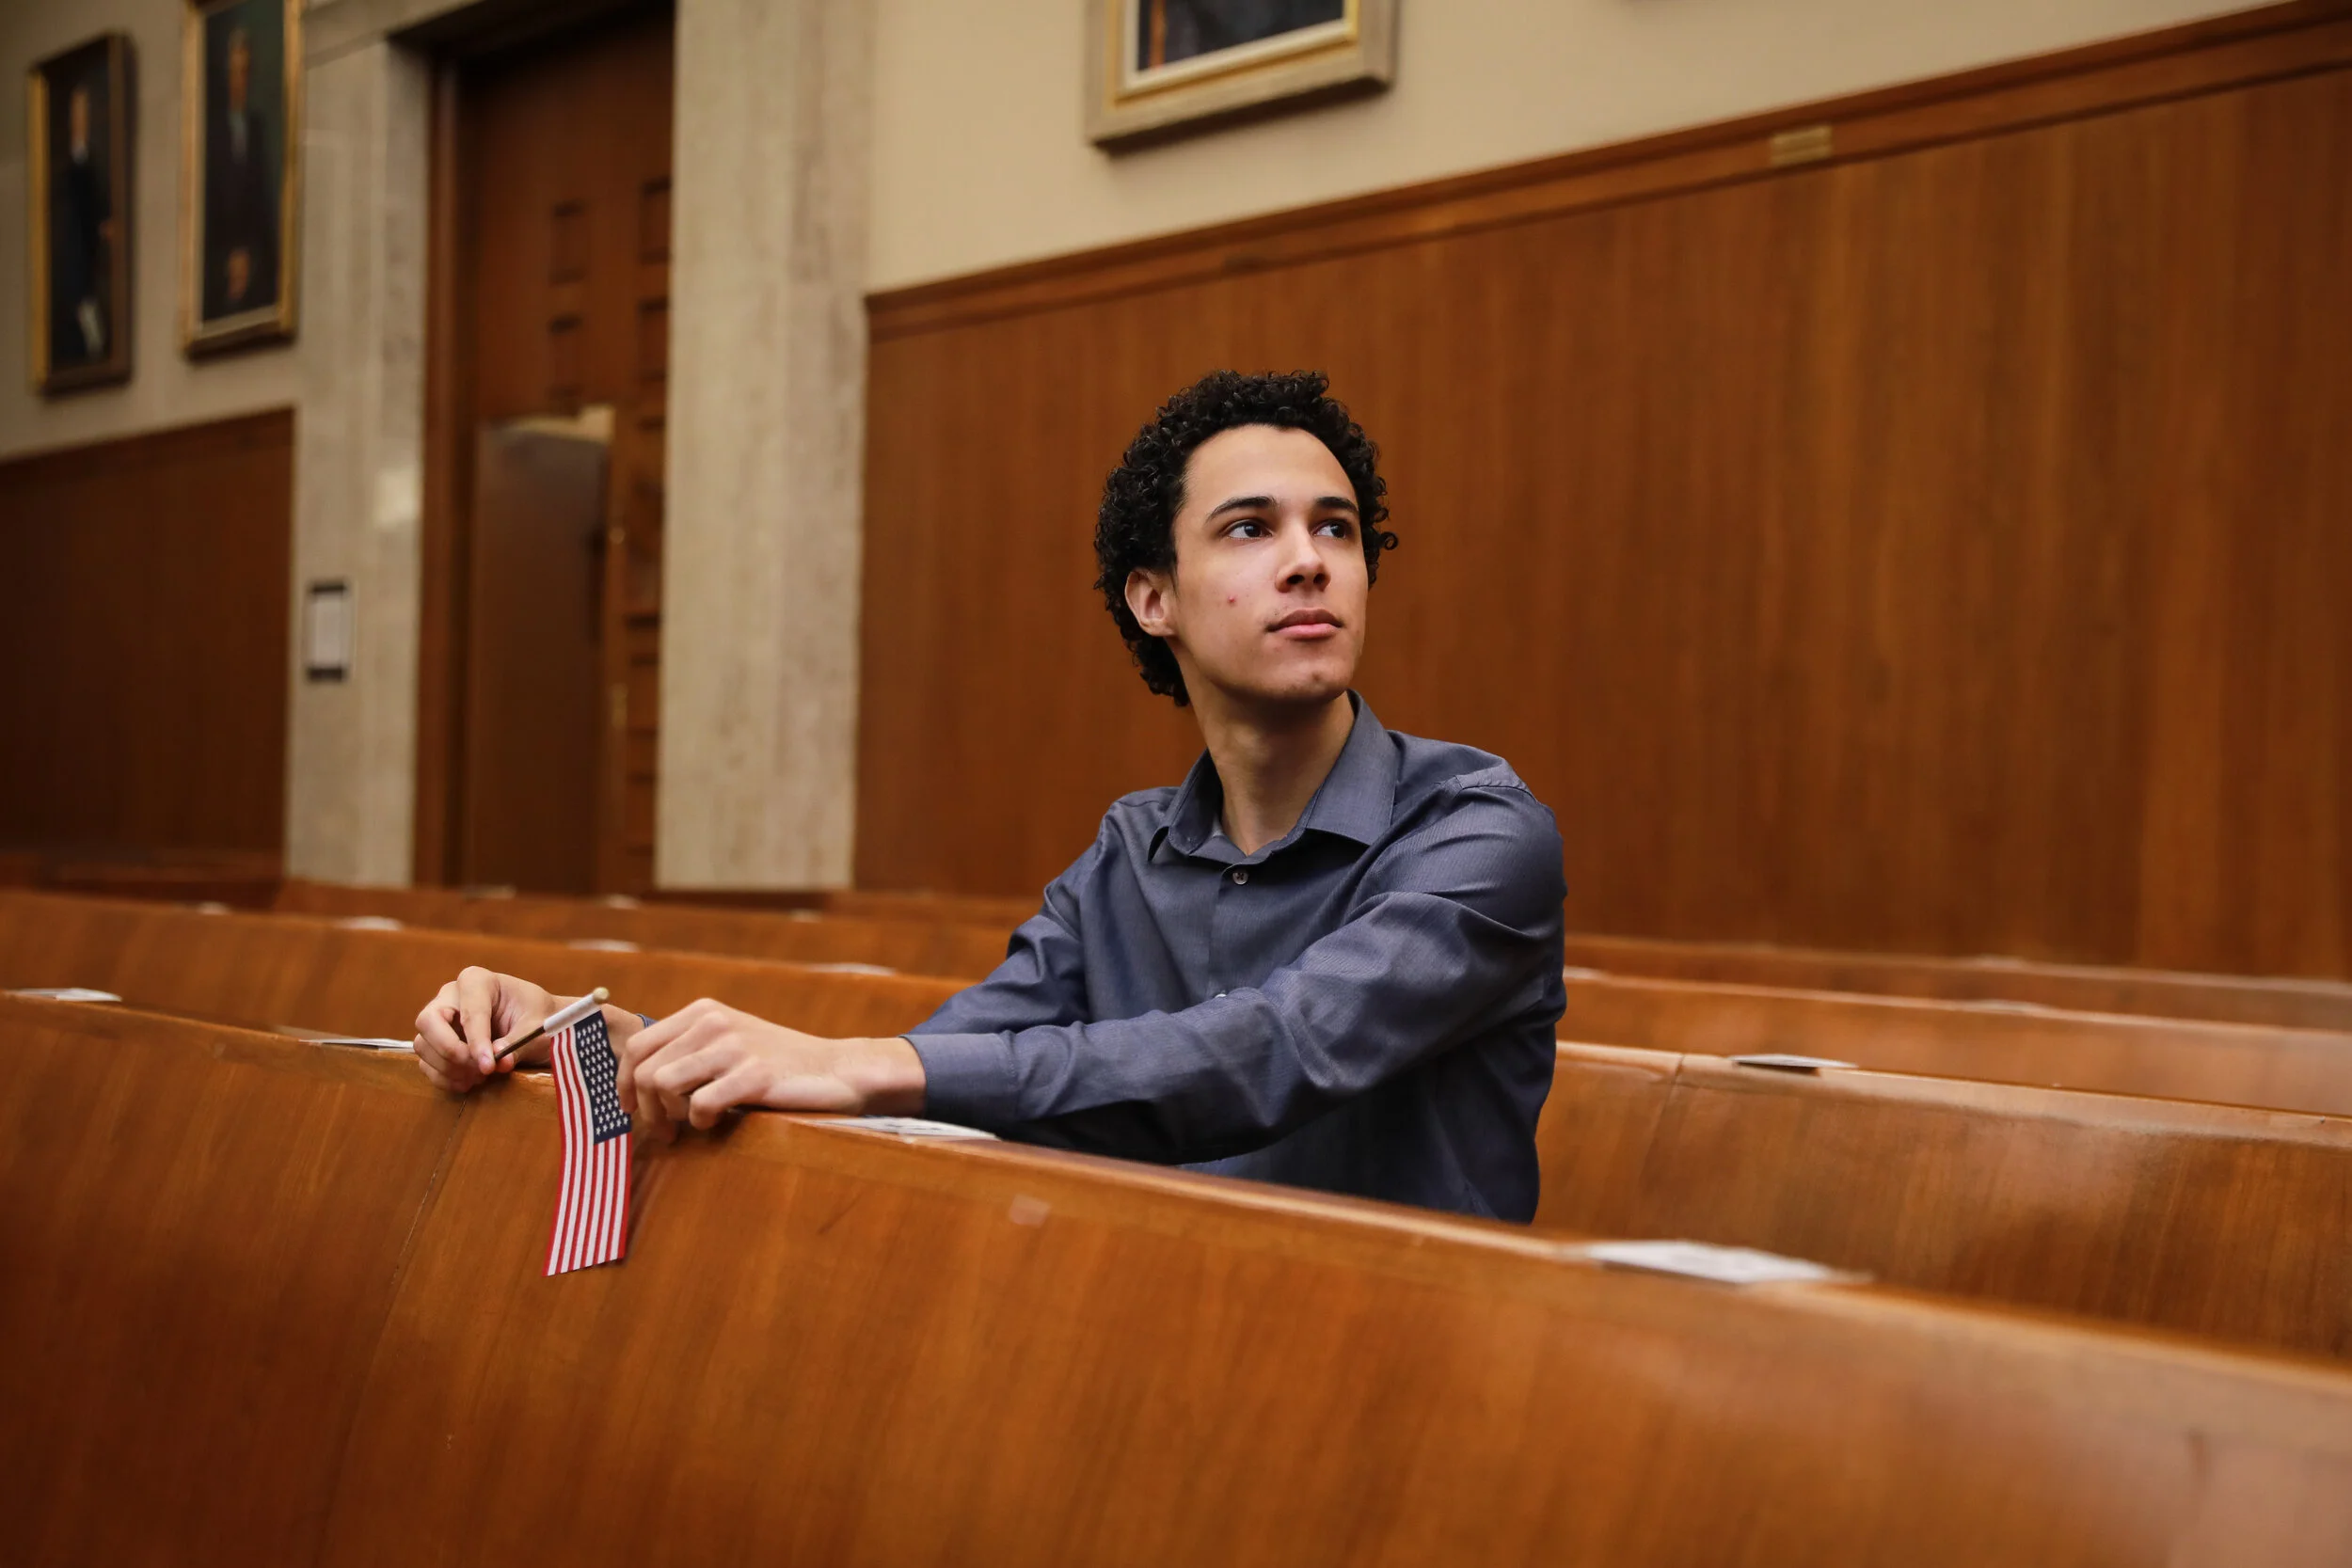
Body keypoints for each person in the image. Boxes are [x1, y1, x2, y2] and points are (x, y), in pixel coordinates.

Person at [414, 372, 1567, 1221]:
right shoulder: (1132, 850)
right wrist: (605, 1038)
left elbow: (1273, 1049)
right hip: (1168, 1348)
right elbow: (949, 1055)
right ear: (1153, 599)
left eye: (1338, 529)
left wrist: (858, 1061)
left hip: (1420, 1383)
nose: (1310, 559)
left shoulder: (1478, 829)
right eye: (1250, 528)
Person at [202, 24, 278, 320]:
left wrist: (252, 256)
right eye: (235, 71)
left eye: (245, 71)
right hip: (220, 257)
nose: (240, 80)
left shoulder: (257, 129)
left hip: (254, 256)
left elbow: (262, 201)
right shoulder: (212, 132)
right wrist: (229, 258)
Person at [49, 80, 113, 369]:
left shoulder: (99, 165)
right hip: (73, 270)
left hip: (92, 265)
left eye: (85, 111)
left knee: (94, 335)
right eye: (77, 111)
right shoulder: (61, 169)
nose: (82, 118)